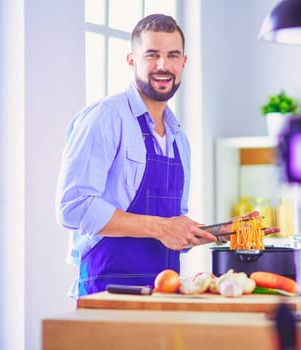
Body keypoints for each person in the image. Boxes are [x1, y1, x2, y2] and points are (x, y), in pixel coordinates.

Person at [55, 14, 220, 298]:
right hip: (106, 294)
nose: (163, 66)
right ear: (132, 60)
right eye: (152, 55)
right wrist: (162, 228)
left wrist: (219, 232)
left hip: (164, 295)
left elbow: (172, 224)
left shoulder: (179, 138)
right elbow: (73, 206)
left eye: (172, 55)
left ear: (184, 62)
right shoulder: (106, 118)